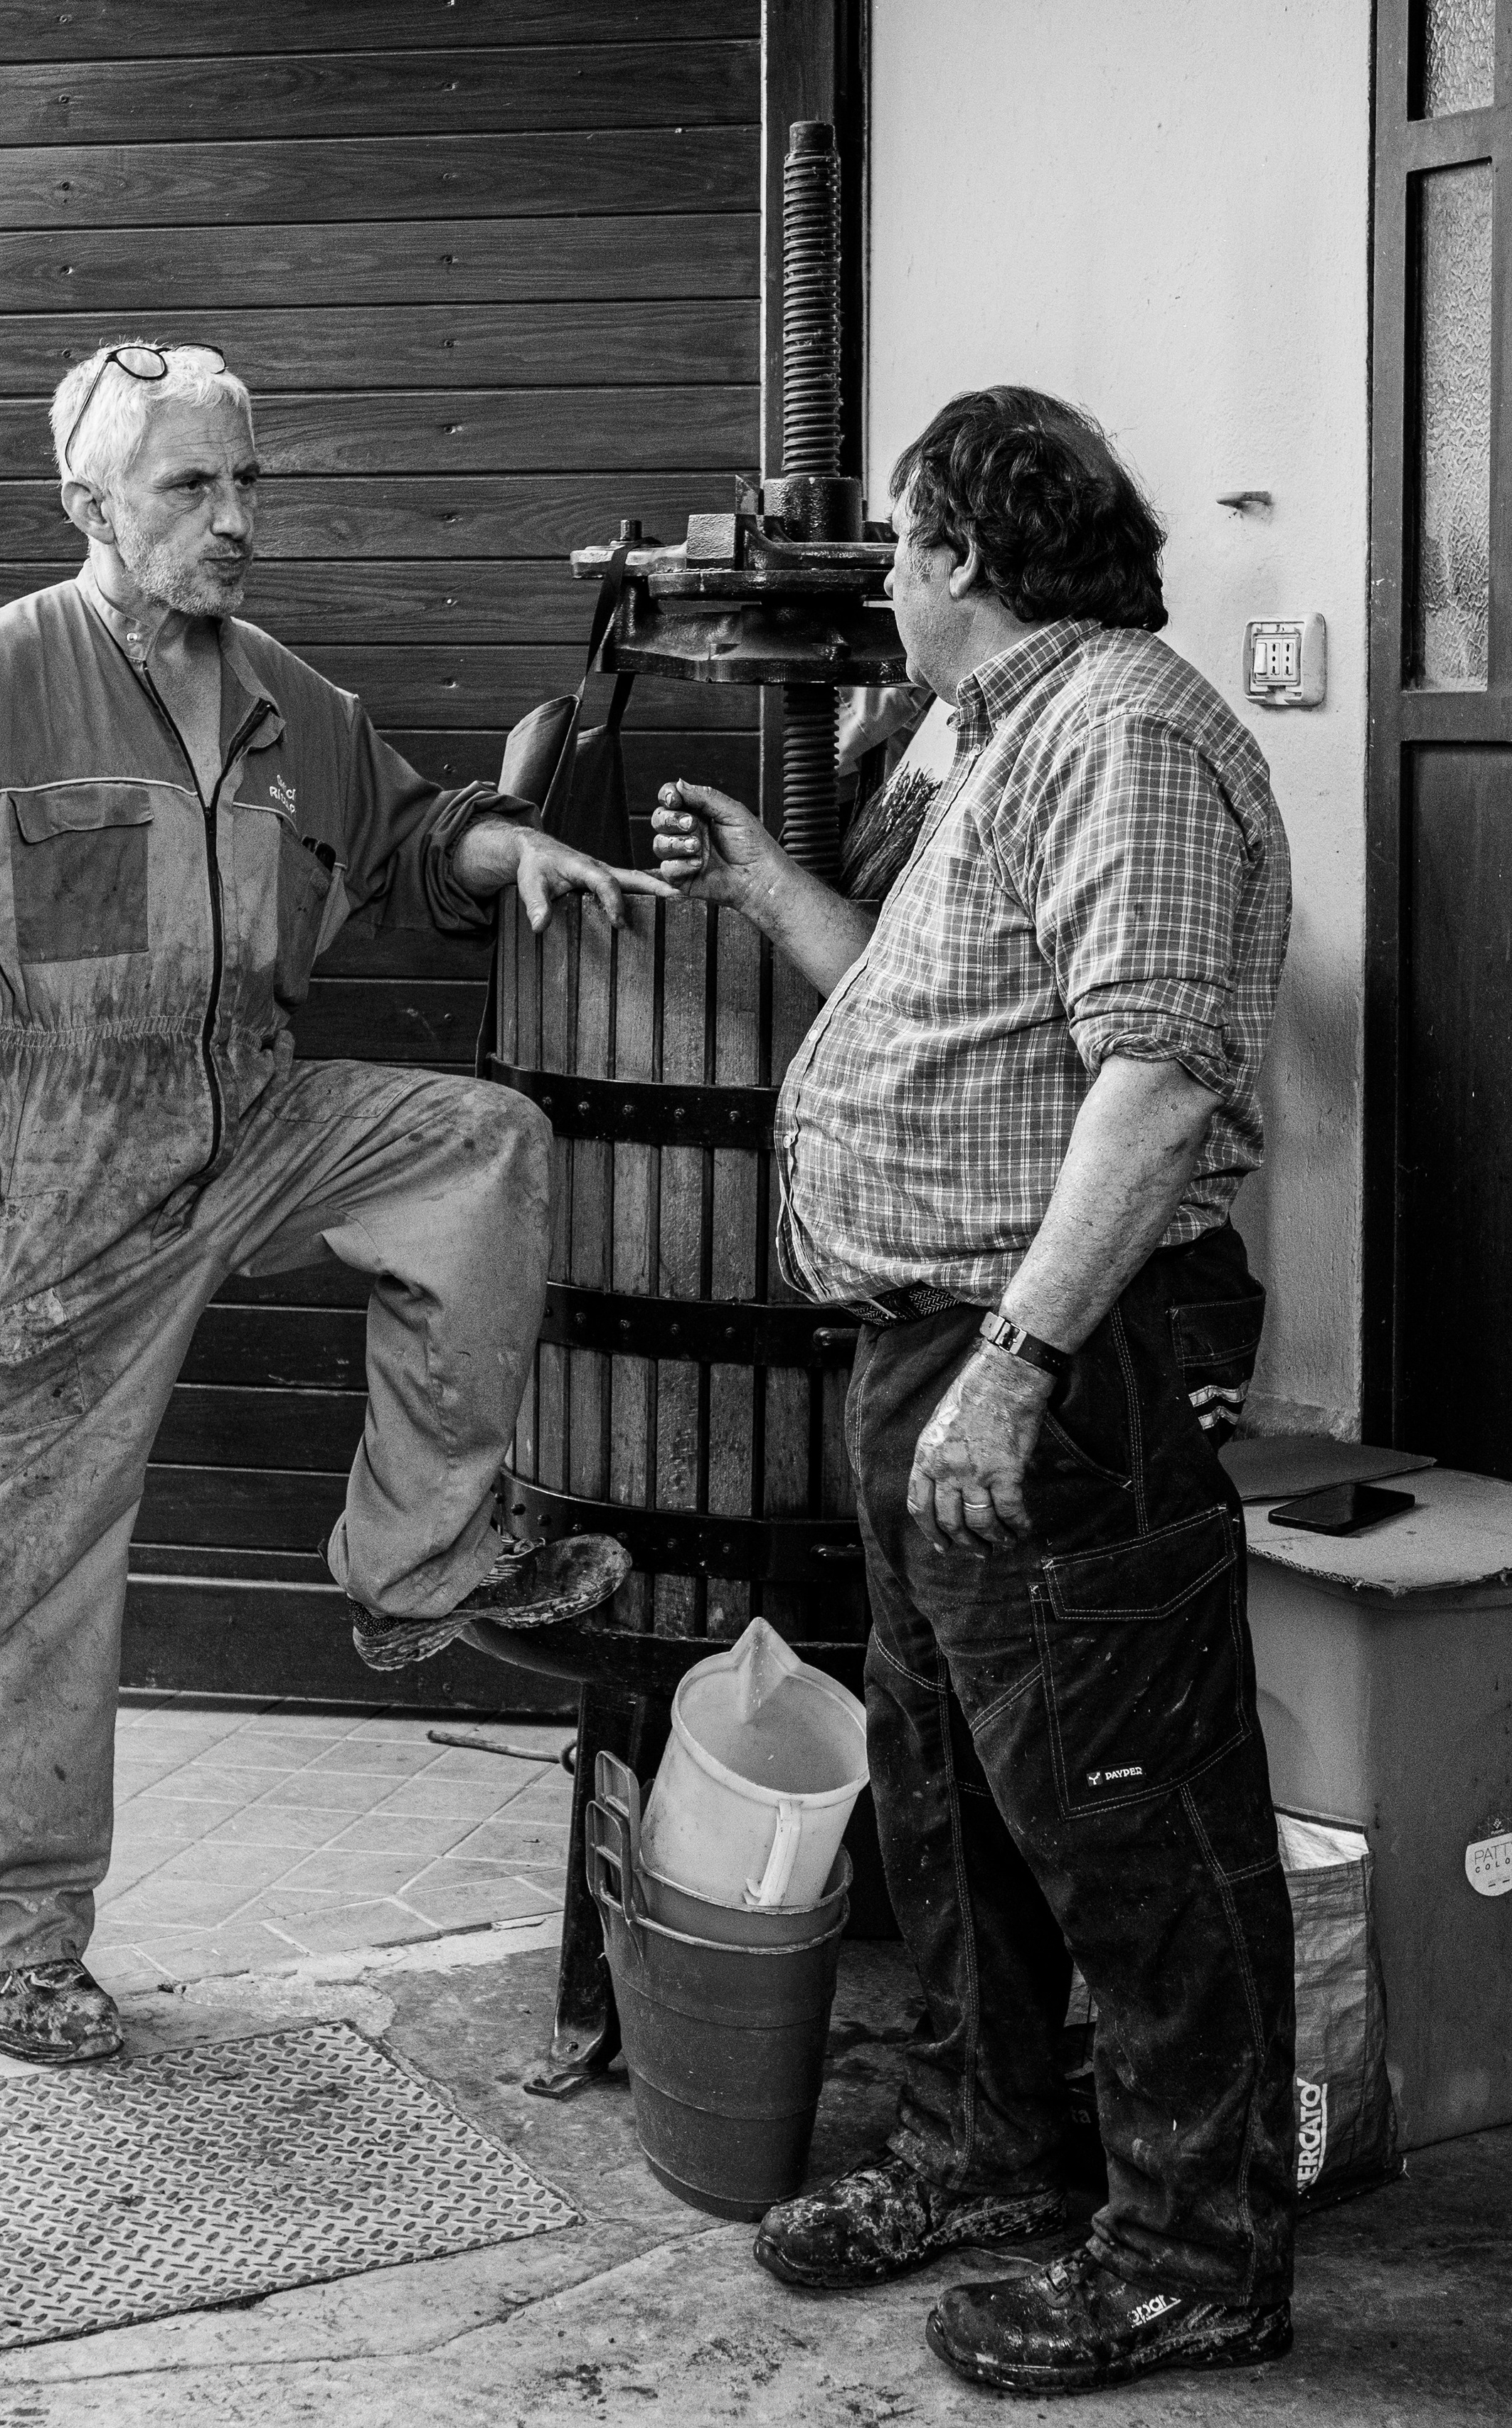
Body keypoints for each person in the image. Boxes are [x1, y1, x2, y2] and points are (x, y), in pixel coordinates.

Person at [0, 341, 652, 2067]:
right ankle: (12, 1938)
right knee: (17, 1583)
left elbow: (415, 834)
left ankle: (416, 1552)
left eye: (247, 481)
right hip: (46, 1194)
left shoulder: (274, 694)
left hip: (247, 1129)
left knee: (477, 1146)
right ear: (89, 506)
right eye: (190, 487)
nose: (233, 519)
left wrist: (517, 852)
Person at [651, 386, 1296, 2398]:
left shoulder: (1122, 729)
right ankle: (998, 2149)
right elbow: (935, 1021)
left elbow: (1162, 1064)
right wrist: (771, 882)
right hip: (936, 1343)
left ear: (951, 554)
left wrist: (1016, 1363)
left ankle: (1198, 2244)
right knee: (962, 1791)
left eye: (897, 549)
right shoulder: (1007, 741)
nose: (881, 587)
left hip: (1061, 1353)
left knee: (1121, 1801)